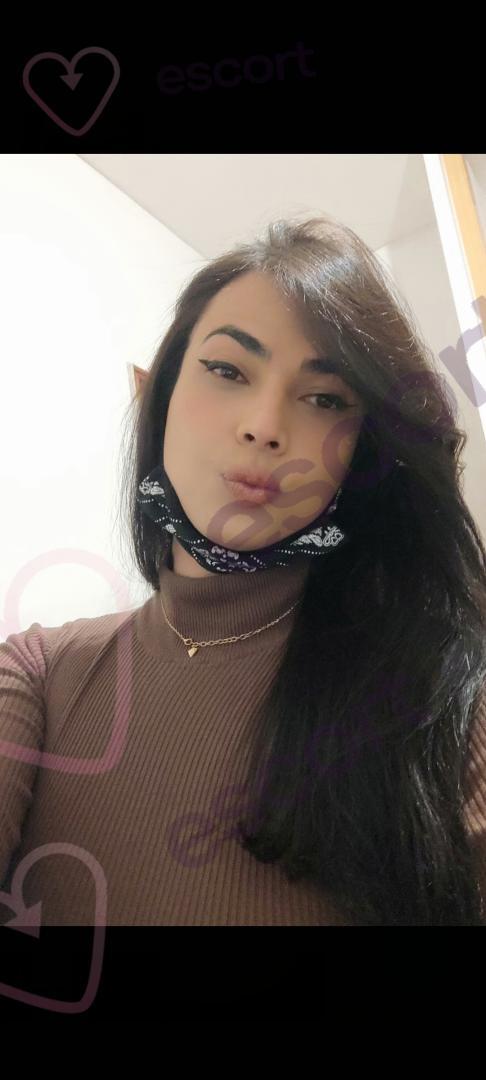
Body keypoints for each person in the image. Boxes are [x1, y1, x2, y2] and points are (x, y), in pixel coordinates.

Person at [1, 213, 485, 927]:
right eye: (228, 370)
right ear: (163, 394)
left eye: (326, 399)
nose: (264, 424)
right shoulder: (40, 673)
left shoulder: (440, 698)